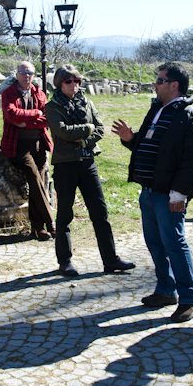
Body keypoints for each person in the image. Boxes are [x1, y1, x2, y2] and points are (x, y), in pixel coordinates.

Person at [112, 62, 193, 322]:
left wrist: (180, 193)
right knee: (155, 244)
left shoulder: (192, 117)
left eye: (159, 80)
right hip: (148, 192)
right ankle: (166, 290)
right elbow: (148, 146)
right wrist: (131, 139)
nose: (155, 84)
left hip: (169, 195)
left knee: (175, 245)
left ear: (173, 85)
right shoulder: (156, 109)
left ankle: (189, 298)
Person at [47, 65, 135, 278]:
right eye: (69, 81)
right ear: (59, 83)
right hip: (65, 165)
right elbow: (62, 132)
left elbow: (101, 128)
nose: (74, 85)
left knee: (100, 212)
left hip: (88, 163)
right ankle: (65, 261)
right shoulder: (52, 106)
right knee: (65, 214)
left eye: (77, 81)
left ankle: (110, 259)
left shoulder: (87, 102)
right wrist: (87, 128)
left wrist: (83, 136)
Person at [1, 61, 55, 240]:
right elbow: (12, 115)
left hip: (39, 144)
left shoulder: (39, 93)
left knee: (36, 183)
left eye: (30, 73)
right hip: (18, 145)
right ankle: (51, 222)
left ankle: (38, 228)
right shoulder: (8, 93)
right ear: (16, 74)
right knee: (34, 178)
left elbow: (48, 118)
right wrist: (36, 114)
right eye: (23, 72)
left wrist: (28, 121)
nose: (26, 76)